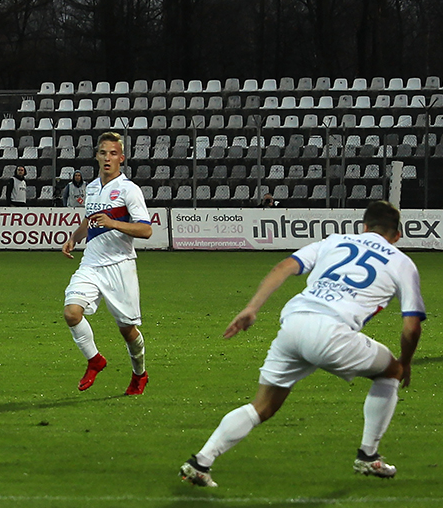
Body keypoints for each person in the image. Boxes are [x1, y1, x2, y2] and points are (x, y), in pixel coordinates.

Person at [180, 201, 425, 488]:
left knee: (262, 406)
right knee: (391, 370)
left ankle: (201, 462)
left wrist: (252, 308)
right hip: (333, 333)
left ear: (364, 227)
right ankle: (368, 455)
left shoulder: (334, 241)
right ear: (397, 235)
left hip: (294, 324)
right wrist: (406, 362)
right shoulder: (402, 263)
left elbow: (284, 266)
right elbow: (411, 327)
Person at [61, 132, 152, 396]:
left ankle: (139, 374)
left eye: (113, 153)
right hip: (91, 263)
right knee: (71, 313)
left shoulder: (129, 189)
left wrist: (113, 223)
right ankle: (95, 360)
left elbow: (146, 230)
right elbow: (89, 220)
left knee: (127, 330)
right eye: (103, 153)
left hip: (120, 265)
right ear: (97, 156)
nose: (107, 158)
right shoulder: (91, 188)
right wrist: (74, 237)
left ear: (121, 158)